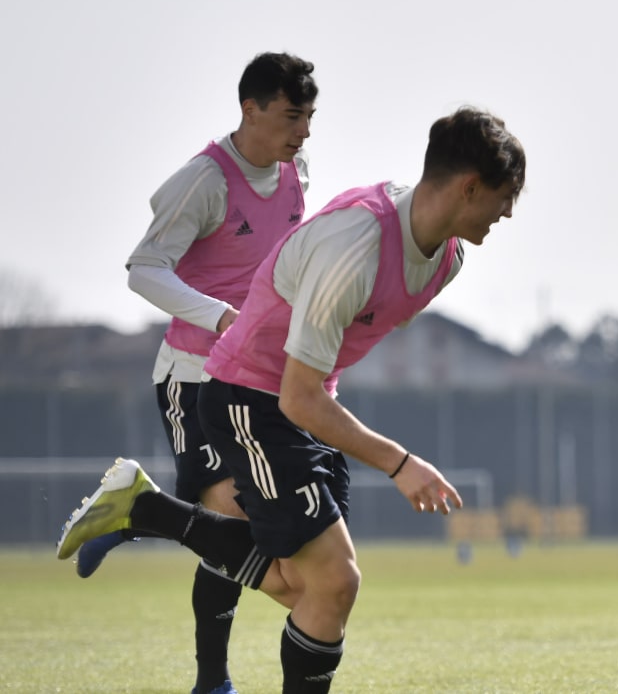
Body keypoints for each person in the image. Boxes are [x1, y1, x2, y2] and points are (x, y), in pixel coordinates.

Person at [56, 106, 526, 693]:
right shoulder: (357, 244)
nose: (509, 213)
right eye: (505, 197)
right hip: (250, 397)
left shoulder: (448, 257)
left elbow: (317, 376)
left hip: (301, 401)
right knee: (334, 584)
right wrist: (402, 465)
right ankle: (159, 549)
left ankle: (144, 509)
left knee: (302, 588)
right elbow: (299, 397)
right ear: (469, 187)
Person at [73, 52, 318, 694]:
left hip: (262, 374)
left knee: (242, 529)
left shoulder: (299, 170)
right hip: (193, 374)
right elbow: (144, 266)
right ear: (251, 108)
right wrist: (219, 317)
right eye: (293, 116)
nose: (304, 131)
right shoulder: (204, 180)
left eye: (311, 117)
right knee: (229, 515)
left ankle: (137, 513)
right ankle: (213, 680)